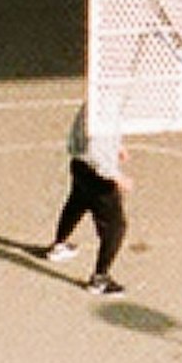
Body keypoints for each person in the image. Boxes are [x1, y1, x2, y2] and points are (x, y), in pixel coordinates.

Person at [44, 88, 128, 288]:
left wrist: (117, 147)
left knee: (77, 203)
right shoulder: (105, 114)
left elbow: (83, 137)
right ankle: (100, 278)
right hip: (97, 176)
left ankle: (59, 245)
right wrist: (117, 176)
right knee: (116, 227)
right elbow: (97, 152)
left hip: (80, 165)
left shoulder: (93, 104)